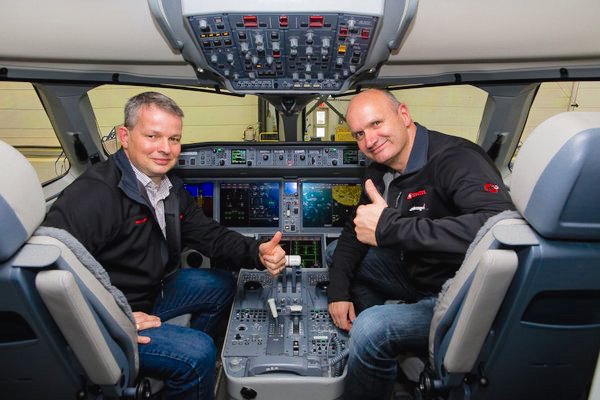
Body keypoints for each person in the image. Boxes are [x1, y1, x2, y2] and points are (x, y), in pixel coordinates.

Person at [44, 92, 286, 400]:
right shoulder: (95, 195)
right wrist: (114, 317)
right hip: (106, 318)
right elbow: (49, 267)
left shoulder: (167, 186)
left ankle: (183, 371)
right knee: (197, 352)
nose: (165, 148)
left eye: (174, 139)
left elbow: (208, 234)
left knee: (222, 284)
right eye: (152, 136)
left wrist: (257, 251)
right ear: (124, 136)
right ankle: (192, 365)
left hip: (146, 294)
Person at [326, 89, 514, 399]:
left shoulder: (455, 159)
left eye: (376, 124)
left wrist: (391, 228)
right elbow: (354, 232)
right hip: (414, 271)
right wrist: (338, 293)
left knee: (370, 329)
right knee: (337, 255)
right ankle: (384, 355)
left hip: (455, 293)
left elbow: (499, 225)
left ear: (404, 115)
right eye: (359, 134)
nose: (369, 141)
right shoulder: (380, 171)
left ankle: (375, 341)